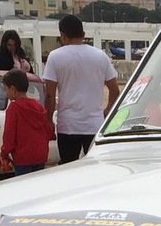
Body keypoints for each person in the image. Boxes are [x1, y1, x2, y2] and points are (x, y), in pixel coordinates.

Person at [42, 14, 119, 163]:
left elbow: (49, 95)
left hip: (68, 125)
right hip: (94, 124)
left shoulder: (55, 57)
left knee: (69, 168)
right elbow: (115, 91)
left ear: (62, 35)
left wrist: (49, 120)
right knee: (95, 168)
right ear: (83, 34)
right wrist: (107, 110)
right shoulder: (100, 56)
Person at [0, 68, 50, 174]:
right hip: (40, 155)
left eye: (6, 89)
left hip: (23, 157)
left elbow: (9, 136)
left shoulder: (14, 108)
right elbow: (47, 130)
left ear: (12, 89)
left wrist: (3, 154)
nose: (5, 92)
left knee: (23, 186)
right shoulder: (38, 106)